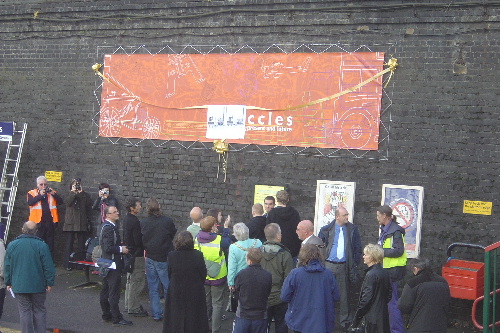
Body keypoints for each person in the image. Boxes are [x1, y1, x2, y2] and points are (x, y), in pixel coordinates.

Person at [5, 221, 55, 333]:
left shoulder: (12, 245)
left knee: (24, 311)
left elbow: (7, 266)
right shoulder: (42, 245)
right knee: (39, 310)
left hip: (19, 284)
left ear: (23, 230)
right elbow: (48, 266)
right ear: (36, 231)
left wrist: (8, 282)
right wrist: (49, 282)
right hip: (38, 285)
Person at [318, 207, 362, 330]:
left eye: (347, 214)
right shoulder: (326, 229)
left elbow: (358, 248)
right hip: (328, 265)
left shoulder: (353, 229)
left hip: (344, 265)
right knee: (325, 293)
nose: (347, 217)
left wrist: (355, 263)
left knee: (344, 295)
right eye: (344, 215)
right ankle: (323, 319)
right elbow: (319, 247)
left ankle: (345, 322)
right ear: (337, 216)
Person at [281, 243, 340, 333]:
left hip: (299, 322)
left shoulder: (295, 274)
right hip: (322, 322)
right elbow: (336, 296)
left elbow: (284, 296)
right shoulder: (328, 274)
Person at [163, 231, 209, 333]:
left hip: (177, 288)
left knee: (176, 315)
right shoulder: (198, 255)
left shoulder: (172, 255)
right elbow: (203, 273)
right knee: (194, 316)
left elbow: (169, 272)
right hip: (194, 288)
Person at [141, 198, 177, 321]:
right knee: (167, 286)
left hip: (151, 256)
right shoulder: (167, 221)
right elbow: (173, 233)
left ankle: (157, 314)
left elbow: (142, 238)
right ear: (159, 207)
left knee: (153, 288)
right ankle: (169, 313)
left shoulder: (144, 222)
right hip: (164, 256)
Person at [195, 216, 231, 333]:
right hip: (218, 275)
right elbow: (228, 242)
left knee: (205, 302)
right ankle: (216, 330)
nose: (216, 226)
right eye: (215, 225)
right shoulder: (219, 239)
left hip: (204, 275)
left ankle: (203, 327)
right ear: (211, 228)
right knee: (217, 303)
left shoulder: (197, 239)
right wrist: (226, 228)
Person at [99, 206, 132, 326]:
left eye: (117, 211)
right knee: (113, 292)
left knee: (105, 289)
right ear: (108, 215)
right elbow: (108, 248)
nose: (117, 213)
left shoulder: (104, 226)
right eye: (114, 212)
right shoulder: (109, 228)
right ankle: (116, 317)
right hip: (112, 263)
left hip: (105, 262)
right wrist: (121, 249)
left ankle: (106, 314)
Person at [398, 258, 451, 333]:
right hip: (440, 326)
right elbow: (448, 303)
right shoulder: (443, 281)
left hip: (419, 327)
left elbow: (404, 306)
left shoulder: (413, 283)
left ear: (416, 268)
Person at [377, 205, 407, 333]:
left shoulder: (395, 231)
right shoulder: (387, 229)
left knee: (392, 304)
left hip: (393, 272)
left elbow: (399, 251)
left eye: (378, 215)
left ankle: (397, 331)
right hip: (387, 270)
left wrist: (380, 252)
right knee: (388, 303)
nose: (377, 218)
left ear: (385, 216)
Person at [260, 223, 294, 333]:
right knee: (281, 327)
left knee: (263, 327)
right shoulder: (285, 254)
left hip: (262, 297)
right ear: (278, 235)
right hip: (280, 298)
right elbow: (289, 279)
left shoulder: (257, 252)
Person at [350, 244, 392, 333]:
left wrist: (356, 320)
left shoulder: (371, 275)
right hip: (383, 315)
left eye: (365, 255)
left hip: (372, 318)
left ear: (372, 257)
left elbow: (366, 299)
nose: (363, 257)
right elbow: (389, 294)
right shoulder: (385, 272)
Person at [233, 248, 272, 333]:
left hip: (243, 314)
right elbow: (267, 292)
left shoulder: (241, 274)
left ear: (249, 260)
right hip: (260, 315)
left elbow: (237, 293)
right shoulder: (267, 275)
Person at [123, 198, 148, 317]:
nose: (140, 207)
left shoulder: (126, 219)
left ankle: (128, 305)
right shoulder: (135, 221)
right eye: (138, 205)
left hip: (129, 253)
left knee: (130, 281)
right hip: (137, 254)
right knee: (137, 282)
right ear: (132, 208)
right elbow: (138, 240)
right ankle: (134, 307)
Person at [27, 175, 63, 256]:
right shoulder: (32, 193)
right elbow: (30, 202)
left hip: (50, 222)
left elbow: (61, 202)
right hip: (37, 223)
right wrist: (40, 195)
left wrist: (53, 194)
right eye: (41, 184)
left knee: (50, 243)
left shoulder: (51, 193)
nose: (43, 186)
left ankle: (48, 261)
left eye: (45, 184)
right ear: (37, 185)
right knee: (37, 242)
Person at [63, 178, 92, 271]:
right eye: (74, 185)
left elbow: (88, 204)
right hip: (70, 223)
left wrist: (81, 193)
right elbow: (68, 202)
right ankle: (67, 264)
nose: (76, 187)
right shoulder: (68, 194)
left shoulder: (84, 195)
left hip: (81, 222)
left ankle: (81, 264)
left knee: (81, 245)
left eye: (78, 184)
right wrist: (73, 193)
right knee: (69, 244)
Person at [266, 190, 302, 260]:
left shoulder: (272, 214)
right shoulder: (294, 213)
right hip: (293, 250)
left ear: (277, 200)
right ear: (288, 199)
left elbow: (268, 232)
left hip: (276, 250)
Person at [227, 223, 262, 290]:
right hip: (258, 275)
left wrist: (231, 283)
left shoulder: (233, 247)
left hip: (240, 278)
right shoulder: (258, 242)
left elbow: (232, 267)